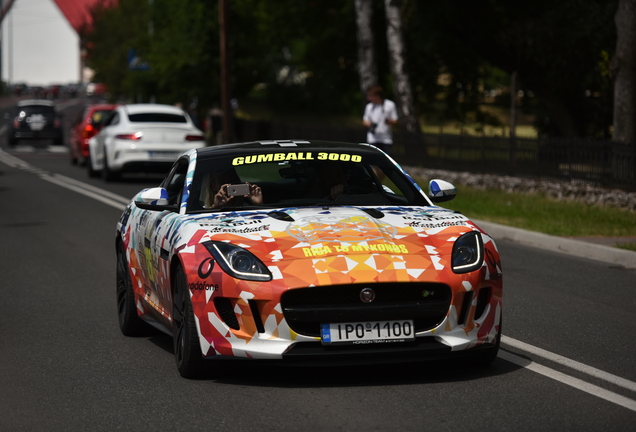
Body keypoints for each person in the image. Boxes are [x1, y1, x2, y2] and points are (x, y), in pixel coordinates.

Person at [362, 86, 399, 154]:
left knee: (385, 161)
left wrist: (389, 122)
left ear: (377, 96)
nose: (368, 98)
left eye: (371, 96)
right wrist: (370, 124)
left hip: (386, 139)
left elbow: (395, 120)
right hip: (372, 138)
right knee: (372, 160)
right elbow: (364, 121)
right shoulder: (369, 107)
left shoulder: (390, 105)